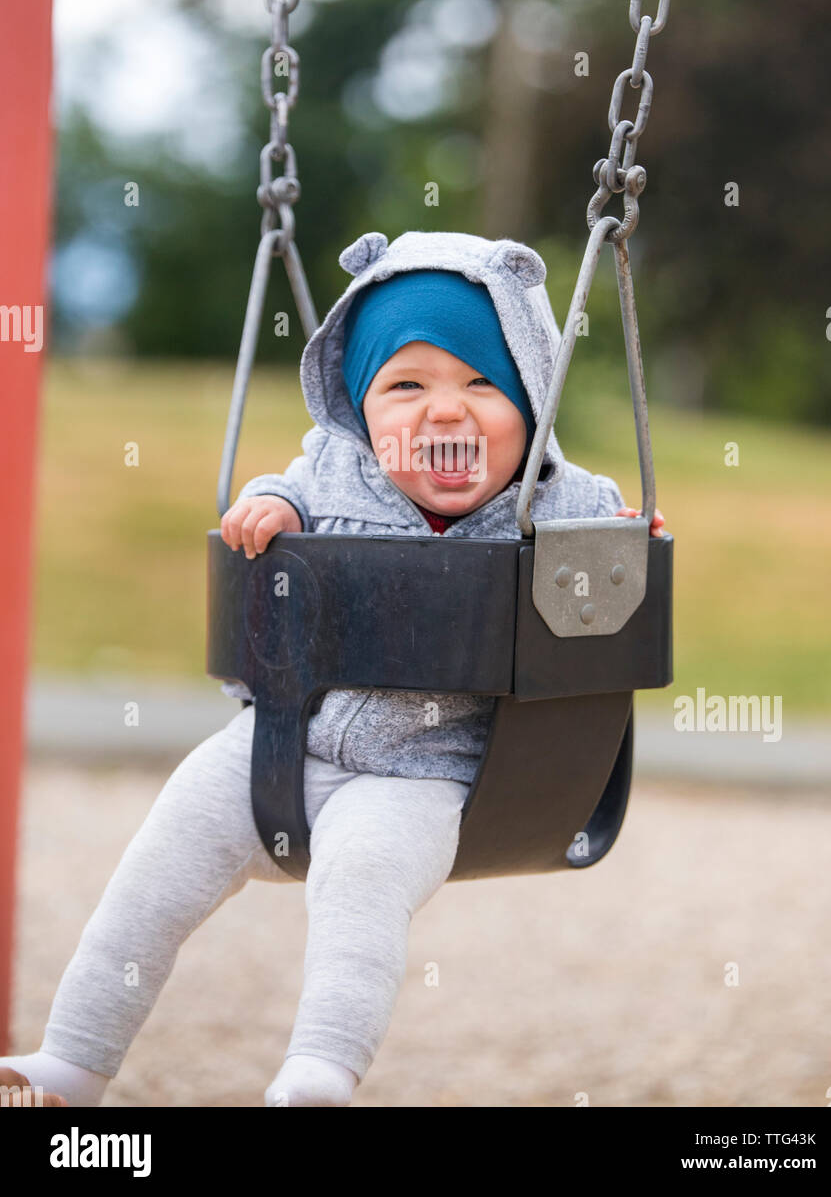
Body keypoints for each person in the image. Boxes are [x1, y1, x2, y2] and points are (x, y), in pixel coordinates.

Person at [0, 230, 665, 1107]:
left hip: (426, 777)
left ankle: (319, 1070)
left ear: (535, 399)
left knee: (362, 880)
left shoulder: (566, 500)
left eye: (483, 384)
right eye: (406, 386)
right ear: (358, 408)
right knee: (162, 856)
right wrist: (269, 505)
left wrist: (629, 545)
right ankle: (74, 1060)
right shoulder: (331, 471)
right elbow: (281, 492)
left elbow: (614, 566)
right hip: (283, 746)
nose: (445, 411)